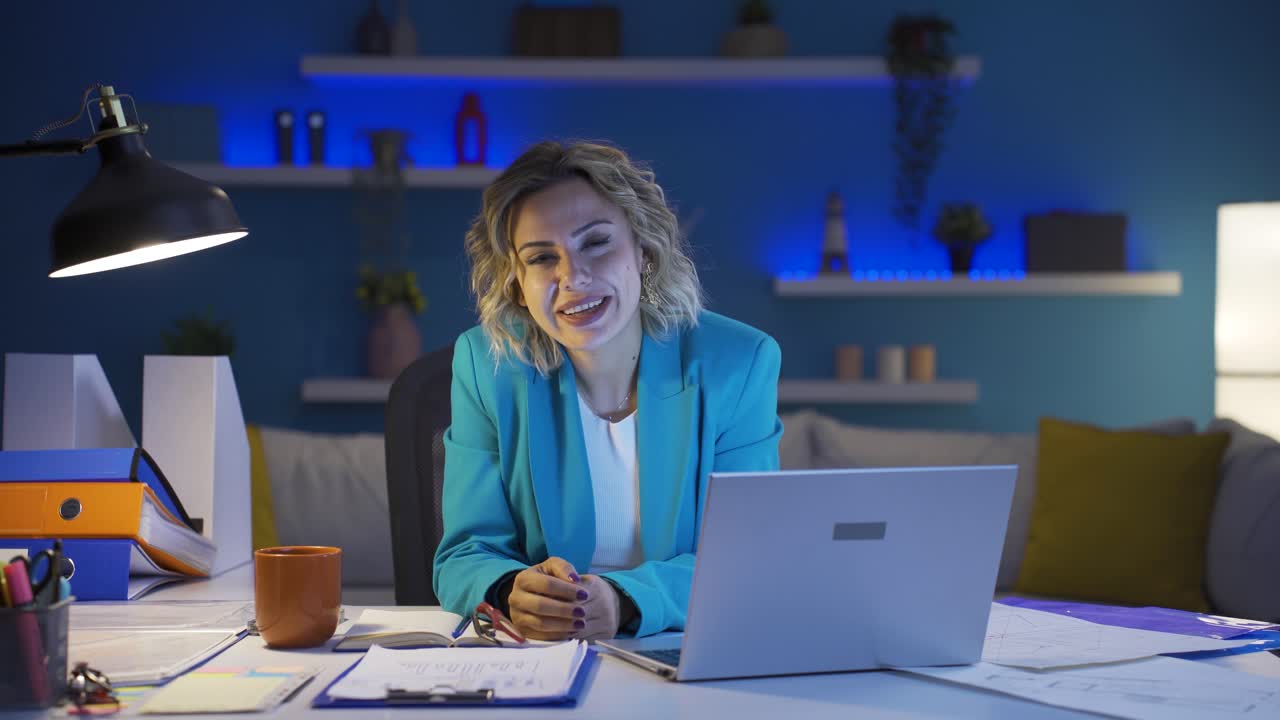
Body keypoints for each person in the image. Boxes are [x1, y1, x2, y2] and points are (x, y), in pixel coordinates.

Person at [433, 140, 782, 640]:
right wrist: (511, 588)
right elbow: (464, 555)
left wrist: (625, 600)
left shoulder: (738, 363)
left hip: (685, 652)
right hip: (540, 658)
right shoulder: (487, 366)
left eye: (596, 243)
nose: (572, 277)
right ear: (516, 283)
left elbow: (754, 555)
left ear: (644, 250)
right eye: (541, 258)